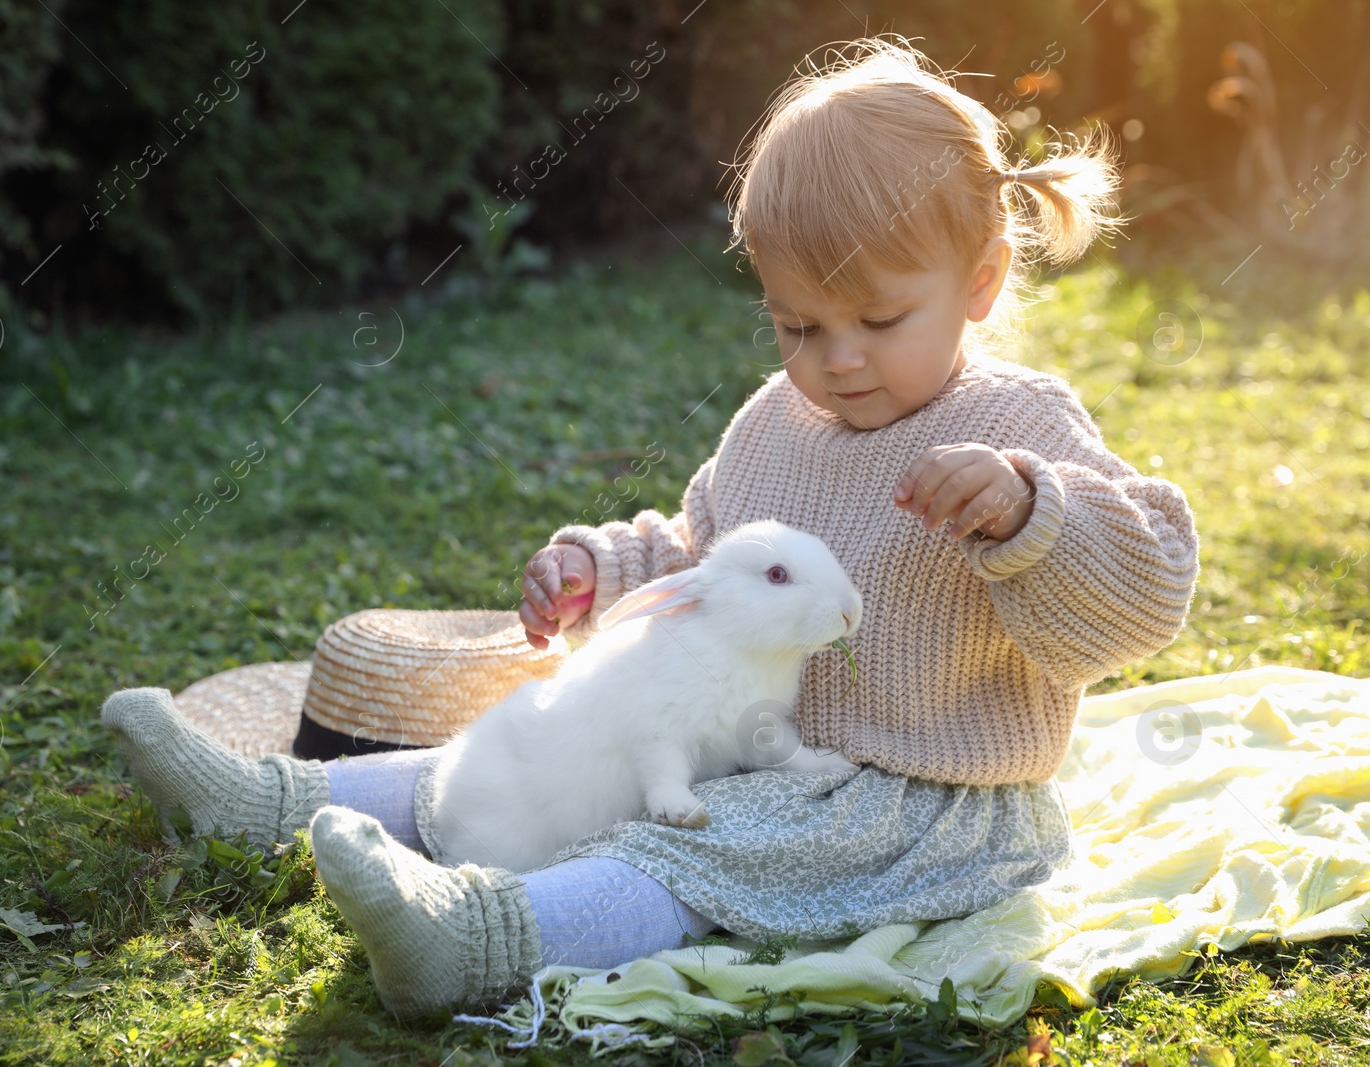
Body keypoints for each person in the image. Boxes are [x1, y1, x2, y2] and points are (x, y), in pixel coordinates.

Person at [100, 36, 1200, 1020]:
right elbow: (698, 557)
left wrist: (1028, 513)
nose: (837, 358)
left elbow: (1137, 604)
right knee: (539, 752)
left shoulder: (1020, 427)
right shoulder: (777, 423)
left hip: (919, 802)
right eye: (797, 324)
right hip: (743, 748)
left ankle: (481, 935)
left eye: (876, 319)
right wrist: (602, 565)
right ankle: (275, 800)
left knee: (691, 846)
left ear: (980, 281)